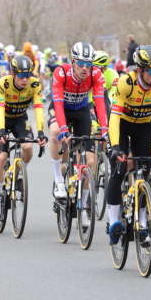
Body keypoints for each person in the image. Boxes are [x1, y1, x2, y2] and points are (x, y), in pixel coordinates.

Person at [106, 45, 151, 244]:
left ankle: (143, 220)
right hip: (122, 127)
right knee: (119, 169)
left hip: (144, 129)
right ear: (139, 70)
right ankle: (113, 222)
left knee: (145, 172)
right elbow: (114, 118)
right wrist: (115, 148)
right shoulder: (125, 83)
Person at [48, 42, 107, 227]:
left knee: (90, 161)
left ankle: (85, 207)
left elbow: (99, 103)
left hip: (82, 113)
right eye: (81, 63)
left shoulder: (96, 74)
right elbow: (57, 102)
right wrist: (64, 128)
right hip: (61, 110)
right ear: (73, 62)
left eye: (88, 64)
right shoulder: (61, 72)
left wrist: (105, 128)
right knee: (57, 131)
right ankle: (59, 180)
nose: (84, 68)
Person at [0, 55, 47, 220]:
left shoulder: (34, 84)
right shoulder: (3, 83)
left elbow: (39, 109)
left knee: (28, 146)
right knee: (1, 157)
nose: (26, 79)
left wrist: (41, 132)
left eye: (28, 74)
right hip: (2, 120)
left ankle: (19, 172)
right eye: (21, 75)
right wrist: (0, 131)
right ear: (13, 74)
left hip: (20, 120)